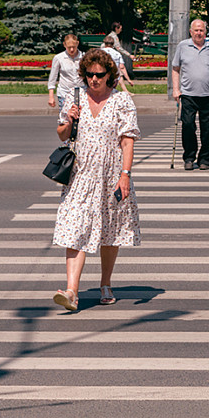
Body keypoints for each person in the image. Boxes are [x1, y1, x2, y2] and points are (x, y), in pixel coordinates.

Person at [51, 48, 141, 312]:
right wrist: (69, 119)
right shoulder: (74, 96)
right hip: (80, 174)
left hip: (112, 174)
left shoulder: (122, 101)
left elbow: (127, 142)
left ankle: (105, 283)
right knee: (74, 227)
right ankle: (71, 291)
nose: (93, 79)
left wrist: (125, 176)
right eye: (89, 74)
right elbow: (61, 134)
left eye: (99, 75)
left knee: (110, 230)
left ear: (109, 75)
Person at [172, 19, 209, 171]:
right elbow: (175, 69)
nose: (199, 33)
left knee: (208, 129)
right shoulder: (183, 46)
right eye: (196, 30)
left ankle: (205, 159)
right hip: (188, 95)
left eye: (201, 30)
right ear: (191, 32)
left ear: (205, 32)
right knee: (188, 126)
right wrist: (175, 89)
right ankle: (189, 157)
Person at [48, 33, 84, 111]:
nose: (71, 50)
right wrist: (51, 96)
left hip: (82, 93)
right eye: (69, 47)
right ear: (64, 45)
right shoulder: (59, 58)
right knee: (65, 119)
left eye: (73, 47)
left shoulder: (84, 57)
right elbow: (52, 78)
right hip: (65, 93)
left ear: (77, 43)